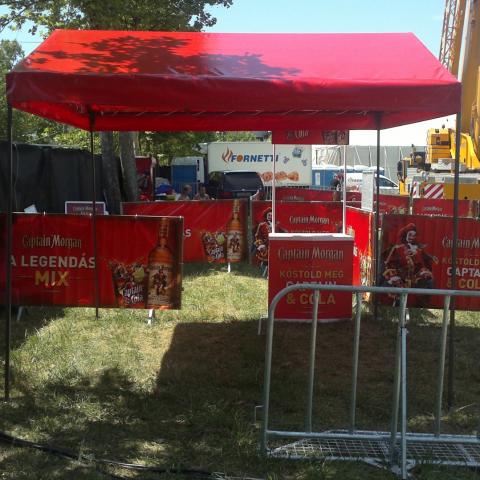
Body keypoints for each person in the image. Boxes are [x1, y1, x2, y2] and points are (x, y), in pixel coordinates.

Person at [382, 223, 438, 306]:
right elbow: (389, 263)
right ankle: (398, 305)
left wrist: (432, 258)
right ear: (405, 234)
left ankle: (423, 302)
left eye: (414, 235)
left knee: (428, 278)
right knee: (398, 290)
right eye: (410, 235)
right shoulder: (398, 248)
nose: (412, 237)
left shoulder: (417, 248)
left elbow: (425, 257)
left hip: (413, 276)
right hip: (401, 275)